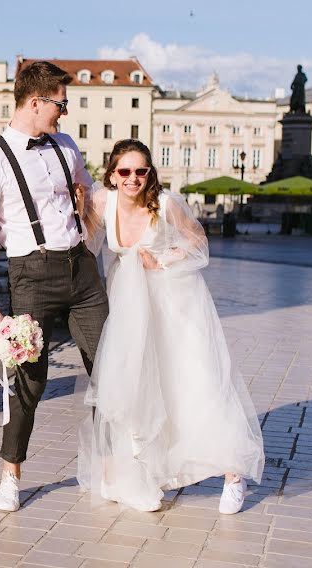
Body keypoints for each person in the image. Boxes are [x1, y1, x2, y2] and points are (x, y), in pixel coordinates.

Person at [77, 139, 264, 514]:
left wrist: (163, 260)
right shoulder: (102, 202)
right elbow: (84, 241)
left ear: (150, 173)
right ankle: (145, 471)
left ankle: (233, 475)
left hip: (173, 305)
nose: (133, 179)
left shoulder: (165, 204)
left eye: (141, 171)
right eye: (125, 171)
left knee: (197, 385)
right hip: (129, 310)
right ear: (112, 175)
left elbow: (198, 241)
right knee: (140, 391)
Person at [0, 61, 108, 512]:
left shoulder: (66, 147)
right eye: (60, 104)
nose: (64, 113)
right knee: (29, 380)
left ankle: (117, 463)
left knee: (111, 365)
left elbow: (88, 198)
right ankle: (11, 474)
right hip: (30, 273)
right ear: (35, 102)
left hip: (81, 270)